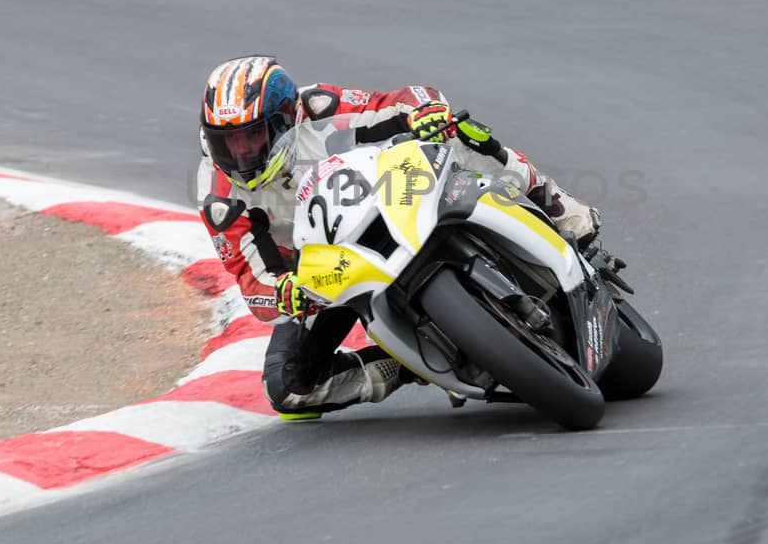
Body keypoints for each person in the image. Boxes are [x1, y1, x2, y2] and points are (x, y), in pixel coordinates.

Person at [196, 54, 598, 418]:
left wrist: (425, 112)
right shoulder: (219, 196)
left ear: (285, 119)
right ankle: (407, 363)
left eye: (251, 136)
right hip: (326, 269)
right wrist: (283, 291)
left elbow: (403, 99)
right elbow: (253, 280)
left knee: (456, 130)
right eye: (228, 142)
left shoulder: (319, 108)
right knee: (288, 388)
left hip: (392, 197)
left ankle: (553, 201)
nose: (242, 153)